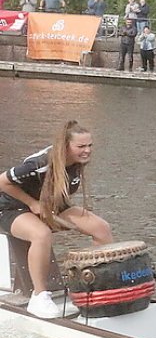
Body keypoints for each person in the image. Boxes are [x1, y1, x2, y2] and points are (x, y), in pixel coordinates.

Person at [0, 121, 113, 318]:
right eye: (81, 147)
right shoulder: (40, 163)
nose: (87, 151)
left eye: (90, 145)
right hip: (11, 207)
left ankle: (94, 287)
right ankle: (39, 296)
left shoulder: (77, 162)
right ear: (65, 146)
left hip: (50, 204)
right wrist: (33, 204)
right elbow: (3, 182)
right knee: (41, 234)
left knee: (101, 228)